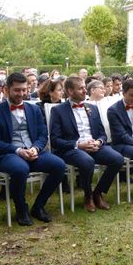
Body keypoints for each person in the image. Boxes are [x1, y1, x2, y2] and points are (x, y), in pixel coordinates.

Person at [0, 72, 66, 225]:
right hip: (7, 154)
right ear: (6, 90)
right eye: (17, 90)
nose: (21, 94)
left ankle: (39, 206)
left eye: (24, 90)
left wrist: (36, 148)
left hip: (33, 151)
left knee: (59, 165)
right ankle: (21, 209)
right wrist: (18, 151)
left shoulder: (34, 109)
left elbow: (43, 134)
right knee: (20, 169)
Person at [49, 77, 124, 212]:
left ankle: (98, 192)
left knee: (117, 159)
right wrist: (79, 145)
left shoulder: (92, 108)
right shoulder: (58, 110)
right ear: (70, 91)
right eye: (81, 88)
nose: (85, 91)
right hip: (72, 148)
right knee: (87, 161)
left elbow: (102, 134)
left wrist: (98, 142)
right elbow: (55, 140)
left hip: (94, 146)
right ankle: (88, 196)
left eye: (85, 87)